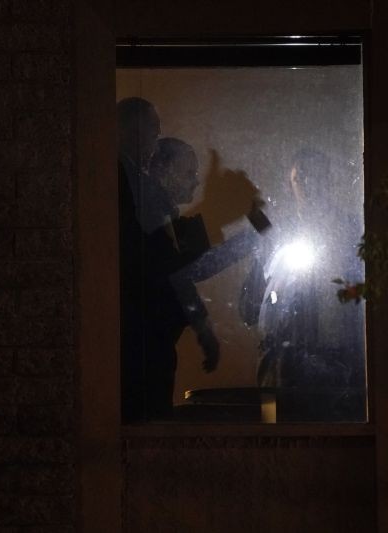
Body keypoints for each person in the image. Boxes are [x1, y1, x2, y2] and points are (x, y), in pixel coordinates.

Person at [239, 148, 365, 421]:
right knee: (277, 440)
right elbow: (248, 308)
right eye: (301, 177)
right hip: (283, 366)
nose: (308, 184)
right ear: (290, 183)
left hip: (337, 362)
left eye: (316, 176)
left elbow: (362, 293)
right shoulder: (277, 235)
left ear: (329, 180)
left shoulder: (350, 230)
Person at [118, 98, 217, 422]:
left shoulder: (135, 187)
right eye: (152, 128)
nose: (195, 181)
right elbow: (174, 270)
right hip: (143, 340)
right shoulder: (135, 189)